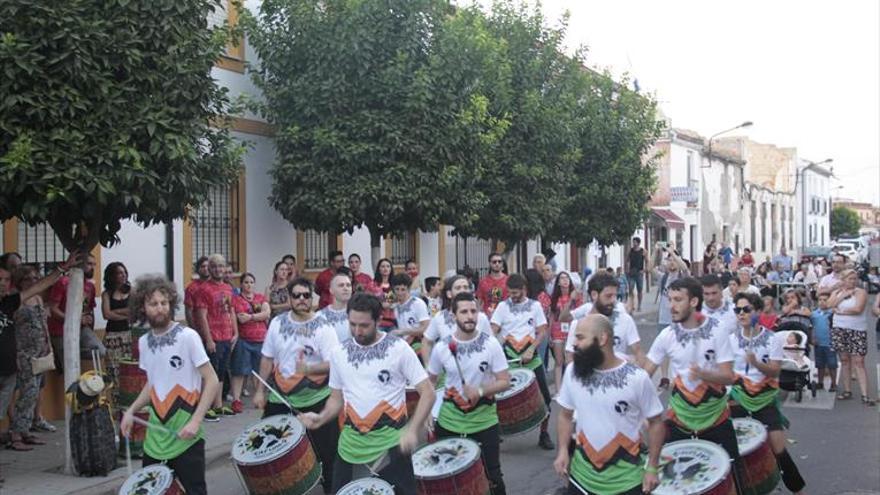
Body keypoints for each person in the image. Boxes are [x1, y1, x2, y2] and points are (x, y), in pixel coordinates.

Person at [298, 293, 435, 494]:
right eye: (352, 324)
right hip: (350, 446)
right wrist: (320, 418)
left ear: (378, 320)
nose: (357, 331)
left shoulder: (398, 348)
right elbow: (336, 400)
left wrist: (413, 429)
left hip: (392, 444)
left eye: (364, 325)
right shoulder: (339, 354)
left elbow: (428, 393)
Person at [642, 277, 745, 490]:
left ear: (693, 301)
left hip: (715, 417)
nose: (671, 305)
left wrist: (705, 375)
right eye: (669, 299)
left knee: (735, 477)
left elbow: (728, 376)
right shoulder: (667, 335)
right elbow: (643, 376)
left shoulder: (717, 330)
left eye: (678, 299)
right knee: (665, 481)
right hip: (679, 418)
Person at [120, 274, 219, 495]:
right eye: (153, 304)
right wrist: (131, 411)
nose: (160, 308)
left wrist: (195, 421)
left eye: (164, 303)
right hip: (155, 440)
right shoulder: (144, 342)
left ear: (171, 304)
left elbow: (211, 380)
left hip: (187, 438)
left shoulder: (188, 337)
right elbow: (152, 384)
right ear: (143, 307)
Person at [554, 314, 665, 495]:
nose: (574, 343)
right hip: (582, 479)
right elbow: (565, 415)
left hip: (627, 482)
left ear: (603, 338)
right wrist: (563, 451)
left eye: (581, 337)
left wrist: (652, 467)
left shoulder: (636, 378)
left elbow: (656, 422)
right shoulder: (573, 373)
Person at [254, 277, 339, 493]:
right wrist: (259, 391)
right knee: (269, 452)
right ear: (289, 298)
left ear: (312, 297)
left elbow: (334, 364)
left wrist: (309, 370)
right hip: (279, 399)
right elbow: (267, 358)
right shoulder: (277, 323)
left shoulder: (323, 327)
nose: (301, 299)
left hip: (316, 399)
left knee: (328, 454)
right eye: (296, 295)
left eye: (306, 295)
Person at [427, 293, 511, 495]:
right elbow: (430, 381)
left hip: (484, 423)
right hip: (449, 423)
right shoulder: (442, 347)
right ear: (453, 315)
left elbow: (505, 381)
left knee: (493, 479)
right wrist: (428, 411)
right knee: (450, 481)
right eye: (464, 311)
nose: (470, 316)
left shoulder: (491, 345)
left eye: (473, 311)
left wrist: (480, 390)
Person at [728, 292, 806, 494]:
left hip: (764, 398)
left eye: (747, 309)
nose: (742, 313)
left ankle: (797, 489)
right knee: (737, 450)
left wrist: (756, 364)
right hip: (737, 398)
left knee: (778, 448)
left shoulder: (772, 339)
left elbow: (775, 370)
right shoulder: (730, 340)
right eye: (738, 310)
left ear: (758, 312)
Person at [1, 253, 78, 452]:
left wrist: (62, 268)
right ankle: (16, 433)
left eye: (6, 280)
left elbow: (39, 287)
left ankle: (22, 430)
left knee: (31, 393)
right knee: (26, 393)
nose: (3, 284)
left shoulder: (11, 302)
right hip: (22, 355)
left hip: (23, 359)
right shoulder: (16, 304)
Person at [490, 274, 553, 450]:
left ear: (524, 289)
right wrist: (492, 340)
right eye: (510, 292)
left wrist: (532, 348)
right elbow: (493, 328)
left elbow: (542, 331)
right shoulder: (502, 306)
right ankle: (495, 433)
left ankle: (544, 433)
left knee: (545, 398)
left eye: (516, 293)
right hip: (508, 359)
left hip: (530, 358)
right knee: (496, 399)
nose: (512, 296)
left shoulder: (535, 306)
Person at [193, 253, 238, 420]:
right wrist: (209, 339)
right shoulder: (203, 289)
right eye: (215, 267)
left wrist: (236, 332)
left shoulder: (228, 288)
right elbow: (201, 316)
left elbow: (231, 310)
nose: (218, 269)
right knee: (210, 372)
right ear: (209, 269)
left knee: (221, 372)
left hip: (227, 335)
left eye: (221, 266)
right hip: (214, 336)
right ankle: (205, 408)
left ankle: (218, 405)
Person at [564, 273, 643, 366]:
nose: (613, 300)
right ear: (594, 295)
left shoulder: (625, 320)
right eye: (608, 296)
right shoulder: (579, 324)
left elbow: (638, 353)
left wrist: (633, 365)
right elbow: (570, 358)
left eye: (615, 296)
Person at [827, 269, 874, 405]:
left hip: (857, 329)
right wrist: (842, 296)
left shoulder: (860, 292)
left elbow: (857, 309)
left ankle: (865, 394)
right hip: (839, 328)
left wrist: (840, 310)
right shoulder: (837, 292)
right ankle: (847, 390)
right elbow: (829, 305)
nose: (853, 281)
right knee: (845, 360)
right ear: (843, 280)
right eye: (850, 279)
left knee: (859, 361)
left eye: (854, 279)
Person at [422, 275, 492, 364]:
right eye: (458, 288)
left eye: (466, 287)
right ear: (449, 294)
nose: (462, 290)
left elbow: (491, 345)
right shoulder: (440, 317)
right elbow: (426, 342)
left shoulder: (480, 317)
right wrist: (428, 367)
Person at [47, 253, 100, 368]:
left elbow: (90, 309)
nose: (92, 267)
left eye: (94, 264)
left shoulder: (90, 286)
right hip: (60, 330)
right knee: (69, 366)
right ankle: (62, 355)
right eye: (89, 264)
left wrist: (89, 322)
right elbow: (53, 309)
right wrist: (75, 320)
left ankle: (68, 355)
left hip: (81, 329)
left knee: (100, 351)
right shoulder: (63, 282)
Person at [229, 273, 270, 414]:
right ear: (241, 284)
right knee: (240, 370)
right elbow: (240, 318)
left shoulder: (260, 298)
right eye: (246, 282)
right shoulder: (236, 300)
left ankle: (259, 398)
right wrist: (257, 317)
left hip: (261, 339)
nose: (249, 285)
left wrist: (251, 316)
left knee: (258, 371)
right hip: (244, 339)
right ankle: (236, 399)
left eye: (251, 282)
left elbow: (267, 313)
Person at [101, 262, 131, 391]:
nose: (123, 275)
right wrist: (125, 313)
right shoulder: (107, 294)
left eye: (124, 272)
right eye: (119, 273)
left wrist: (116, 312)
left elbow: (133, 311)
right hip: (112, 336)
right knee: (113, 371)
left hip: (128, 335)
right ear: (112, 276)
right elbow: (106, 314)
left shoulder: (132, 291)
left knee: (129, 370)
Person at [549, 271, 582, 390]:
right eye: (562, 278)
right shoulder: (554, 298)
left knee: (571, 360)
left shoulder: (576, 296)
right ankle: (558, 390)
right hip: (557, 330)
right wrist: (549, 335)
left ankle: (571, 388)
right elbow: (552, 317)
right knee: (559, 361)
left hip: (571, 330)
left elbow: (580, 314)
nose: (565, 280)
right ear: (558, 282)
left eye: (567, 278)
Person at [390, 273, 430, 353]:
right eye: (397, 289)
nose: (399, 293)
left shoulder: (418, 303)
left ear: (408, 289)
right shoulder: (395, 307)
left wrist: (404, 331)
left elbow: (426, 328)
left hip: (419, 343)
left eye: (403, 289)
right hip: (403, 344)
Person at [811, 291, 838, 391]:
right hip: (819, 342)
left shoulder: (832, 313)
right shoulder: (814, 314)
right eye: (820, 300)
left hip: (830, 342)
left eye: (825, 300)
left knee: (832, 364)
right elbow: (812, 327)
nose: (822, 302)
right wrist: (813, 337)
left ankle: (834, 383)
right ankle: (820, 382)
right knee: (820, 364)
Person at [319, 271, 354, 343]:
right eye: (341, 285)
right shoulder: (320, 317)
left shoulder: (360, 315)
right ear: (331, 290)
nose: (346, 288)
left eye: (348, 285)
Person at [476, 253, 509, 318]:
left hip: (505, 316)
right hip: (488, 317)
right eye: (494, 262)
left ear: (502, 263)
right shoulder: (483, 282)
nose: (497, 264)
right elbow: (479, 302)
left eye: (499, 262)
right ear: (490, 263)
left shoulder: (508, 281)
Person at [184, 256, 210, 329]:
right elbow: (188, 311)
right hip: (199, 328)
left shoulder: (216, 285)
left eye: (208, 266)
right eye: (203, 266)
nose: (206, 269)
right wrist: (194, 329)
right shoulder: (191, 288)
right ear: (198, 269)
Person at [373, 257, 396, 330]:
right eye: (383, 266)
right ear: (379, 269)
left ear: (391, 269)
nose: (385, 268)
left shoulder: (395, 285)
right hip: (379, 322)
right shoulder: (373, 285)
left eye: (388, 266)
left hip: (393, 322)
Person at [625, 237, 647, 313]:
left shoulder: (643, 251)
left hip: (639, 273)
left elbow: (647, 261)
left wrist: (644, 270)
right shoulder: (630, 251)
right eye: (633, 242)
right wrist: (627, 269)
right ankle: (632, 304)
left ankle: (639, 305)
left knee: (639, 290)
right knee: (631, 288)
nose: (633, 243)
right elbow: (627, 260)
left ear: (638, 243)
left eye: (635, 242)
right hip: (632, 272)